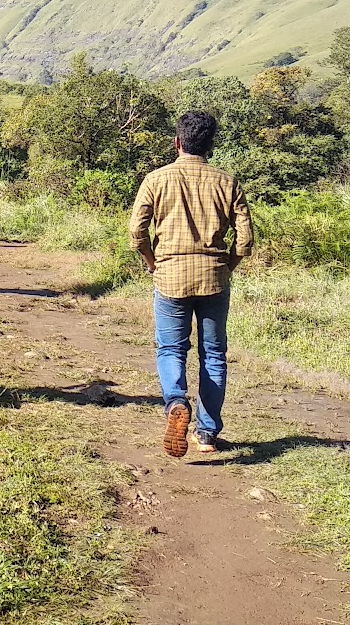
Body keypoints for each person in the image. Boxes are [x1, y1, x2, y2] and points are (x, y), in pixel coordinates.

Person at [128, 111, 253, 457]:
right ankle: (207, 433)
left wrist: (153, 263)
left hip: (170, 277)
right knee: (214, 355)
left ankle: (174, 404)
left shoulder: (156, 180)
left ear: (177, 142)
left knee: (171, 349)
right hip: (214, 278)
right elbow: (245, 240)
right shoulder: (228, 183)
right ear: (211, 145)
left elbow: (136, 234)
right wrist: (227, 266)